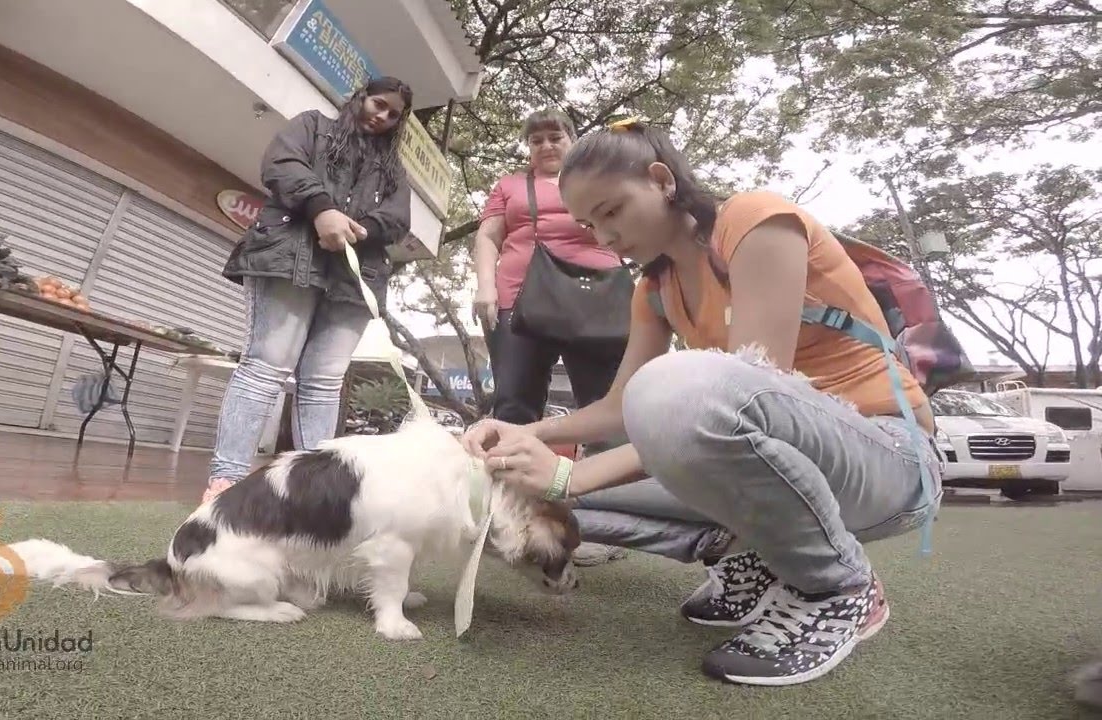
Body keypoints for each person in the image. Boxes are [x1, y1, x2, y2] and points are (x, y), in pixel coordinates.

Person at [461, 119, 943, 687]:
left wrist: (572, 474)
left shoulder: (756, 220)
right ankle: (756, 555)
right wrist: (521, 436)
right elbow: (619, 409)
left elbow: (752, 388)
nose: (603, 237)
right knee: (519, 498)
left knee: (680, 389)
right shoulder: (656, 288)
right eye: (590, 224)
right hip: (784, 462)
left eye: (612, 211)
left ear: (661, 180)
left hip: (889, 463)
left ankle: (836, 586)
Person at [204, 77, 414, 504]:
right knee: (266, 366)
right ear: (360, 97)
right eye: (379, 104)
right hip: (290, 257)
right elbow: (281, 165)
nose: (382, 116)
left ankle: (311, 496)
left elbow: (398, 219)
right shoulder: (311, 127)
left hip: (355, 278)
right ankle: (226, 482)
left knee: (324, 382)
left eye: (394, 114)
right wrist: (322, 209)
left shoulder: (393, 170)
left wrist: (360, 230)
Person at [471, 109, 630, 566]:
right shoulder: (509, 186)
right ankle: (506, 516)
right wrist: (485, 286)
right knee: (514, 407)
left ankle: (603, 525)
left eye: (554, 136)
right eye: (536, 139)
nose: (545, 145)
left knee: (605, 408)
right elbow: (487, 237)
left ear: (572, 139)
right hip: (521, 302)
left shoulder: (597, 177)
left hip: (600, 302)